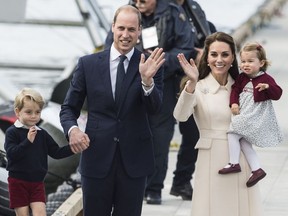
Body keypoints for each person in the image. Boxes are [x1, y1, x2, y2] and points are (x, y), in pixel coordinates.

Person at [59, 5, 165, 216]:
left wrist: (147, 81)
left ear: (139, 32)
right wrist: (73, 131)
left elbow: (155, 109)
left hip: (134, 162)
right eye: (121, 28)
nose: (126, 35)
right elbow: (68, 108)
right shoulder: (87, 64)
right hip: (96, 159)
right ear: (113, 28)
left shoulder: (151, 64)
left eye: (131, 30)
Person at [105, 0, 196, 205]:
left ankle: (154, 187)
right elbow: (109, 45)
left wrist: (156, 64)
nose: (138, 3)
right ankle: (129, 182)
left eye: (143, 1)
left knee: (160, 136)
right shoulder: (127, 14)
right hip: (128, 79)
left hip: (165, 80)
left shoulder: (173, 13)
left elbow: (185, 47)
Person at [174, 32, 264, 215]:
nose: (219, 60)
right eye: (214, 54)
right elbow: (181, 116)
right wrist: (191, 83)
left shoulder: (245, 87)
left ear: (233, 58)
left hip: (240, 159)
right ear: (207, 57)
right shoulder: (197, 87)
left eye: (225, 54)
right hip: (211, 159)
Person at [169, 0, 217, 200]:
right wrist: (191, 53)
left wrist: (207, 53)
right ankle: (151, 185)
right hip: (171, 77)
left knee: (193, 133)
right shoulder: (163, 9)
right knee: (160, 136)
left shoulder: (193, 7)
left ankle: (181, 181)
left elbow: (210, 32)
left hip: (195, 78)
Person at [218, 42, 283, 187]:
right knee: (244, 142)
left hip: (255, 115)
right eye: (243, 61)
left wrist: (268, 87)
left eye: (250, 61)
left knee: (233, 133)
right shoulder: (242, 78)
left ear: (261, 63)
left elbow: (278, 93)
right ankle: (257, 169)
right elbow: (235, 90)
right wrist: (234, 103)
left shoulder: (265, 78)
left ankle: (234, 163)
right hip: (245, 112)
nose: (246, 65)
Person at [4, 88, 76, 216]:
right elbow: (12, 154)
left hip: (37, 182)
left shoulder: (42, 134)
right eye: (29, 112)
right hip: (18, 182)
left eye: (37, 112)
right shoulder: (12, 132)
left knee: (40, 213)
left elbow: (56, 152)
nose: (34, 116)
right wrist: (28, 141)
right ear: (18, 112)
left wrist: (73, 148)